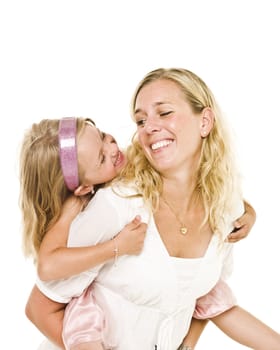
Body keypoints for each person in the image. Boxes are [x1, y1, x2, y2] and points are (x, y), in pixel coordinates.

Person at [24, 67, 279, 349]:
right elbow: (40, 304)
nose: (148, 127)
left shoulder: (226, 205)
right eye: (140, 120)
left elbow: (202, 296)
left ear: (205, 122)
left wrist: (187, 343)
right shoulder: (114, 205)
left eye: (165, 112)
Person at [20, 117, 148, 350]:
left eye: (101, 135)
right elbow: (47, 268)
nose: (112, 147)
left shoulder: (109, 176)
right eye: (101, 157)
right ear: (82, 188)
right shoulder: (75, 209)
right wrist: (117, 247)